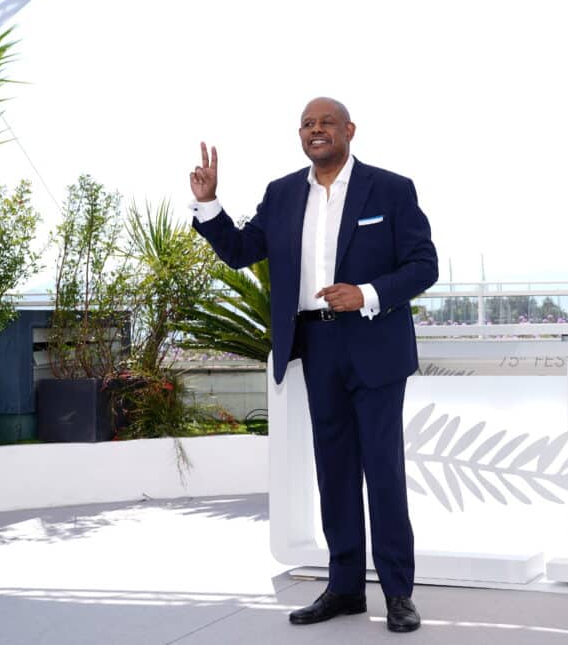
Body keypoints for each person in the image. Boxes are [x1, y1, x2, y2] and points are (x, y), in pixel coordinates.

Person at [188, 97, 438, 633]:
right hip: (316, 347)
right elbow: (239, 250)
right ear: (300, 136)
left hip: (373, 344)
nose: (316, 130)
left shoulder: (391, 190)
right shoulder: (281, 194)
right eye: (307, 124)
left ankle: (398, 594)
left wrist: (366, 292)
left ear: (349, 130)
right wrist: (209, 205)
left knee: (384, 472)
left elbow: (424, 266)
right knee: (335, 473)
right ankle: (345, 588)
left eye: (326, 122)